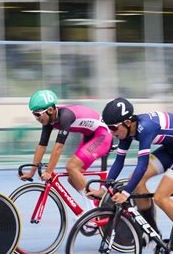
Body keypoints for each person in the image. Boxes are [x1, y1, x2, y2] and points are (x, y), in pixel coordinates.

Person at [88, 97, 173, 254]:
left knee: (161, 197)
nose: (112, 132)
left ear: (128, 122)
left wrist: (126, 193)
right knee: (135, 182)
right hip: (170, 149)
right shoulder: (126, 131)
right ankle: (153, 232)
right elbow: (119, 162)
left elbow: (141, 165)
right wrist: (105, 188)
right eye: (109, 128)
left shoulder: (146, 128)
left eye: (113, 128)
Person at [20, 89, 113, 219]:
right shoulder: (49, 120)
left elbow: (58, 148)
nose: (36, 118)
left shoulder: (65, 117)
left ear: (50, 110)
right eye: (34, 115)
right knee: (72, 177)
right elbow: (41, 146)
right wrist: (31, 172)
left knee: (71, 166)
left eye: (38, 114)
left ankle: (91, 211)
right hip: (89, 135)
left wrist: (49, 172)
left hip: (102, 135)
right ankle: (97, 204)